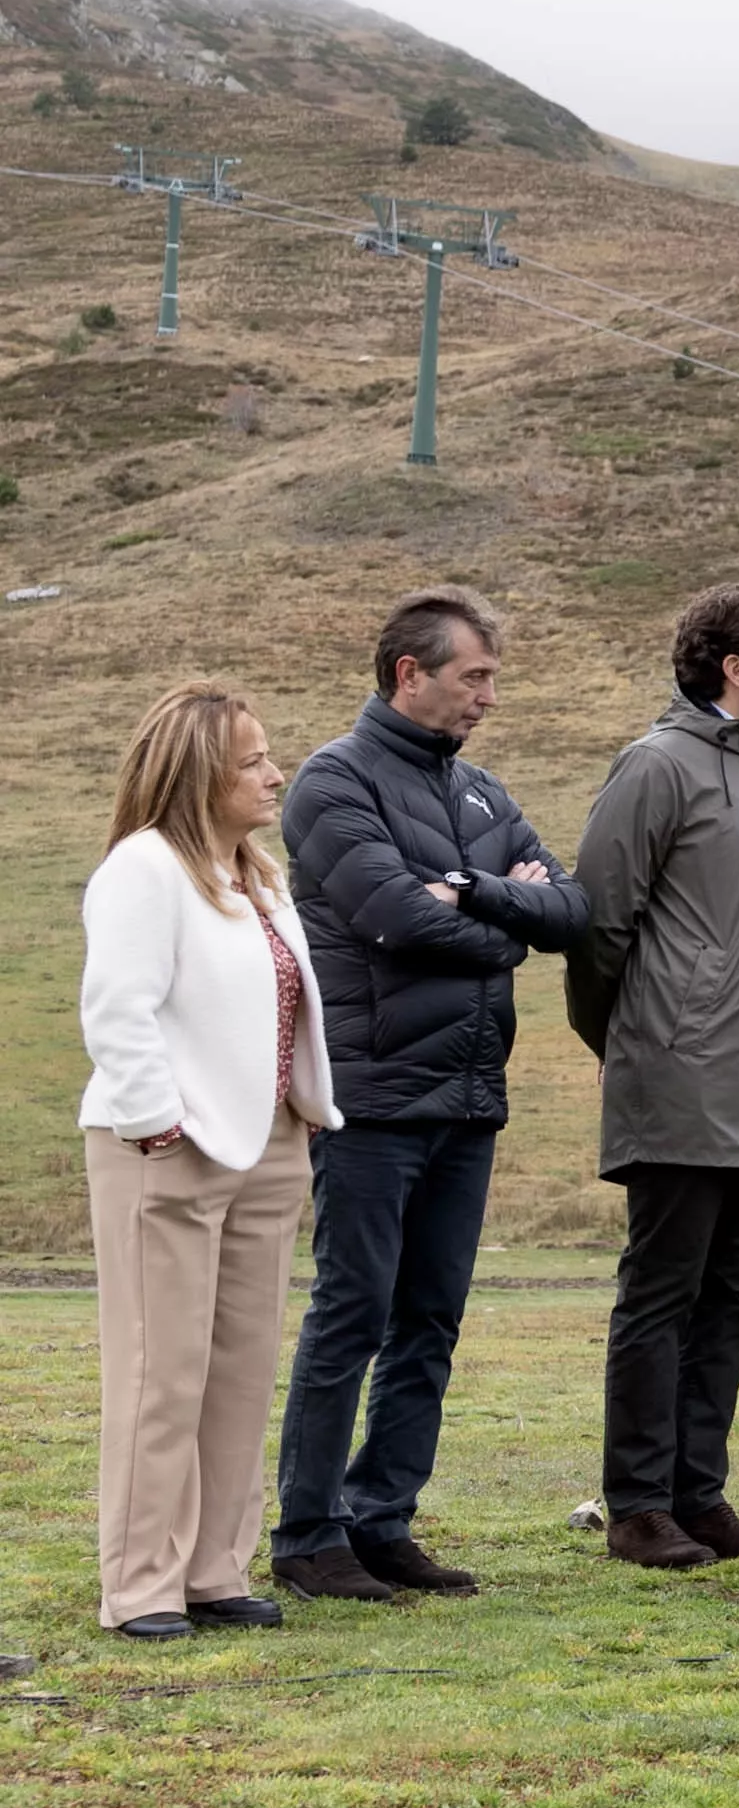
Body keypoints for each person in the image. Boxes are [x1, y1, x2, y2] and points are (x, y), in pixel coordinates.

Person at [270, 587, 587, 1605]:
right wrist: (506, 924)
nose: (489, 696)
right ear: (410, 673)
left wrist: (484, 895)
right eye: (474, 676)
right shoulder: (332, 782)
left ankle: (383, 1521)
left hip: (465, 1098)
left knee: (430, 1320)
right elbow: (395, 917)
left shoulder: (482, 793)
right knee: (351, 1313)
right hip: (372, 1101)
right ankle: (310, 1536)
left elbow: (571, 908)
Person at [567, 584, 739, 1572]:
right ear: (736, 668)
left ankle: (697, 1496)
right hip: (680, 1086)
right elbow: (597, 931)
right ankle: (636, 1505)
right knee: (662, 1298)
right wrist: (640, 1048)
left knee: (727, 1304)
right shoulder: (657, 767)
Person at [78, 683, 334, 1640]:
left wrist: (302, 1112)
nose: (275, 774)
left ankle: (215, 1570)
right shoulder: (144, 870)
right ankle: (141, 1583)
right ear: (196, 776)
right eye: (252, 762)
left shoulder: (255, 875)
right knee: (161, 1370)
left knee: (239, 1367)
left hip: (267, 1141)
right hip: (165, 1146)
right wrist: (154, 1120)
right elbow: (117, 1008)